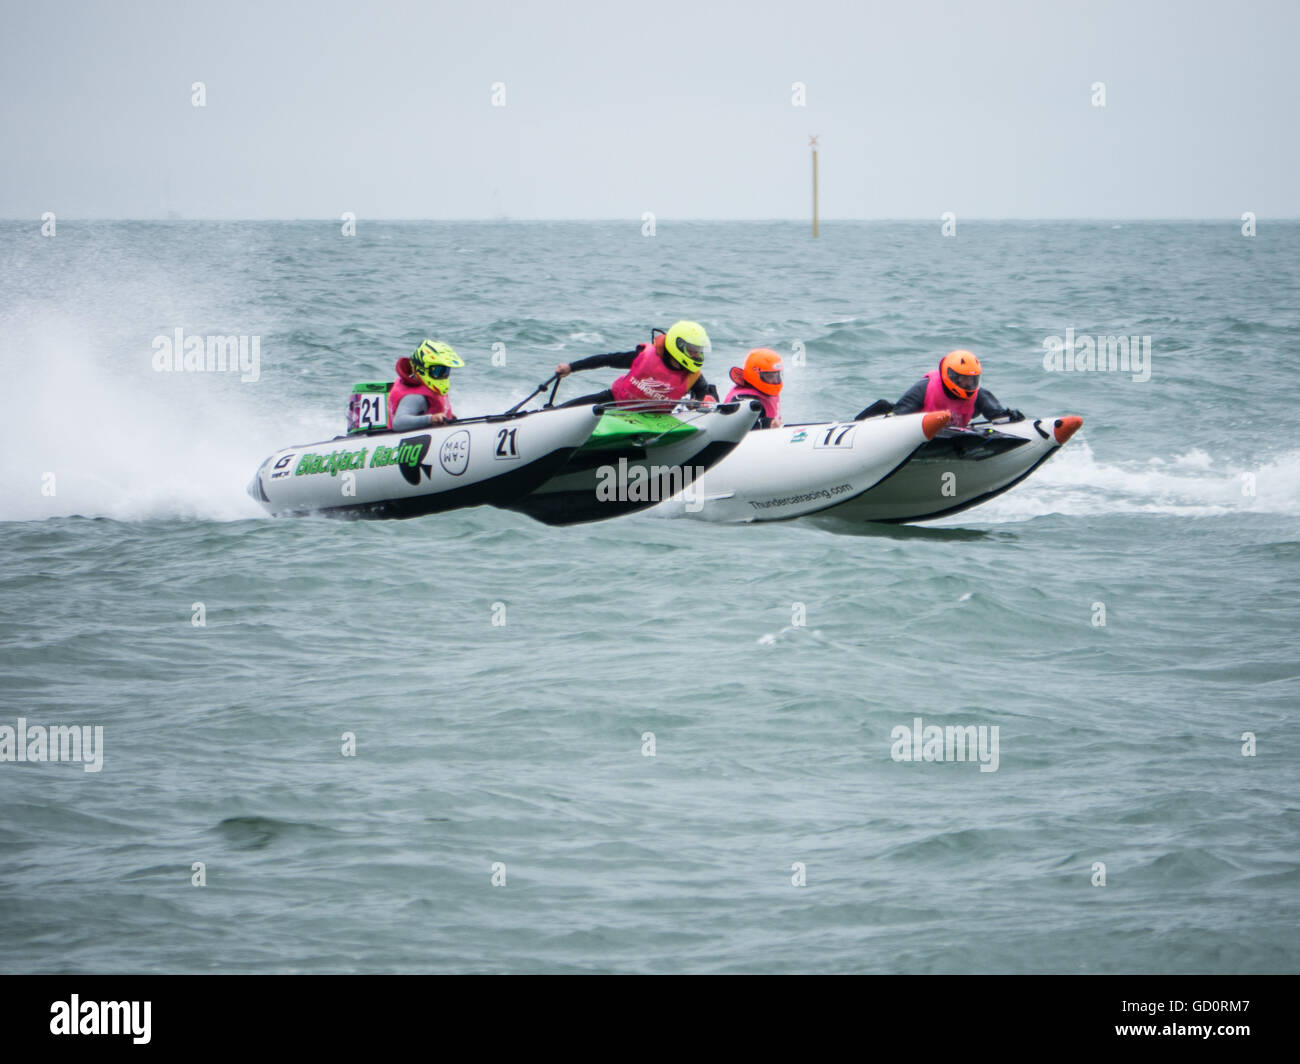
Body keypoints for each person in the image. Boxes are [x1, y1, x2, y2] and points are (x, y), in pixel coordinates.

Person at [555, 321, 713, 411]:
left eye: (698, 351)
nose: (696, 356)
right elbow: (607, 359)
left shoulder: (693, 376)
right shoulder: (645, 357)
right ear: (677, 346)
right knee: (562, 411)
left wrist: (699, 404)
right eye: (692, 351)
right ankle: (544, 415)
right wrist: (570, 367)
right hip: (613, 402)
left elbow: (704, 394)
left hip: (655, 420)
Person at [891, 349, 1023, 428]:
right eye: (964, 378)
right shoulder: (925, 388)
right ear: (951, 375)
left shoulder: (978, 395)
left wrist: (1013, 418)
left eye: (972, 379)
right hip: (918, 438)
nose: (968, 383)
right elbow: (896, 420)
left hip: (952, 440)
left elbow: (1000, 418)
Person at [388, 340, 464, 431]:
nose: (443, 376)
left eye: (446, 371)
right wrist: (431, 419)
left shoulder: (426, 388)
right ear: (422, 369)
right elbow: (398, 423)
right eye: (438, 371)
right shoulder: (415, 397)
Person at [723, 348, 784, 428]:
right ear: (755, 373)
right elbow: (739, 426)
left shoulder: (766, 393)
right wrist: (768, 424)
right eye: (770, 376)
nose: (775, 380)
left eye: (777, 376)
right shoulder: (742, 398)